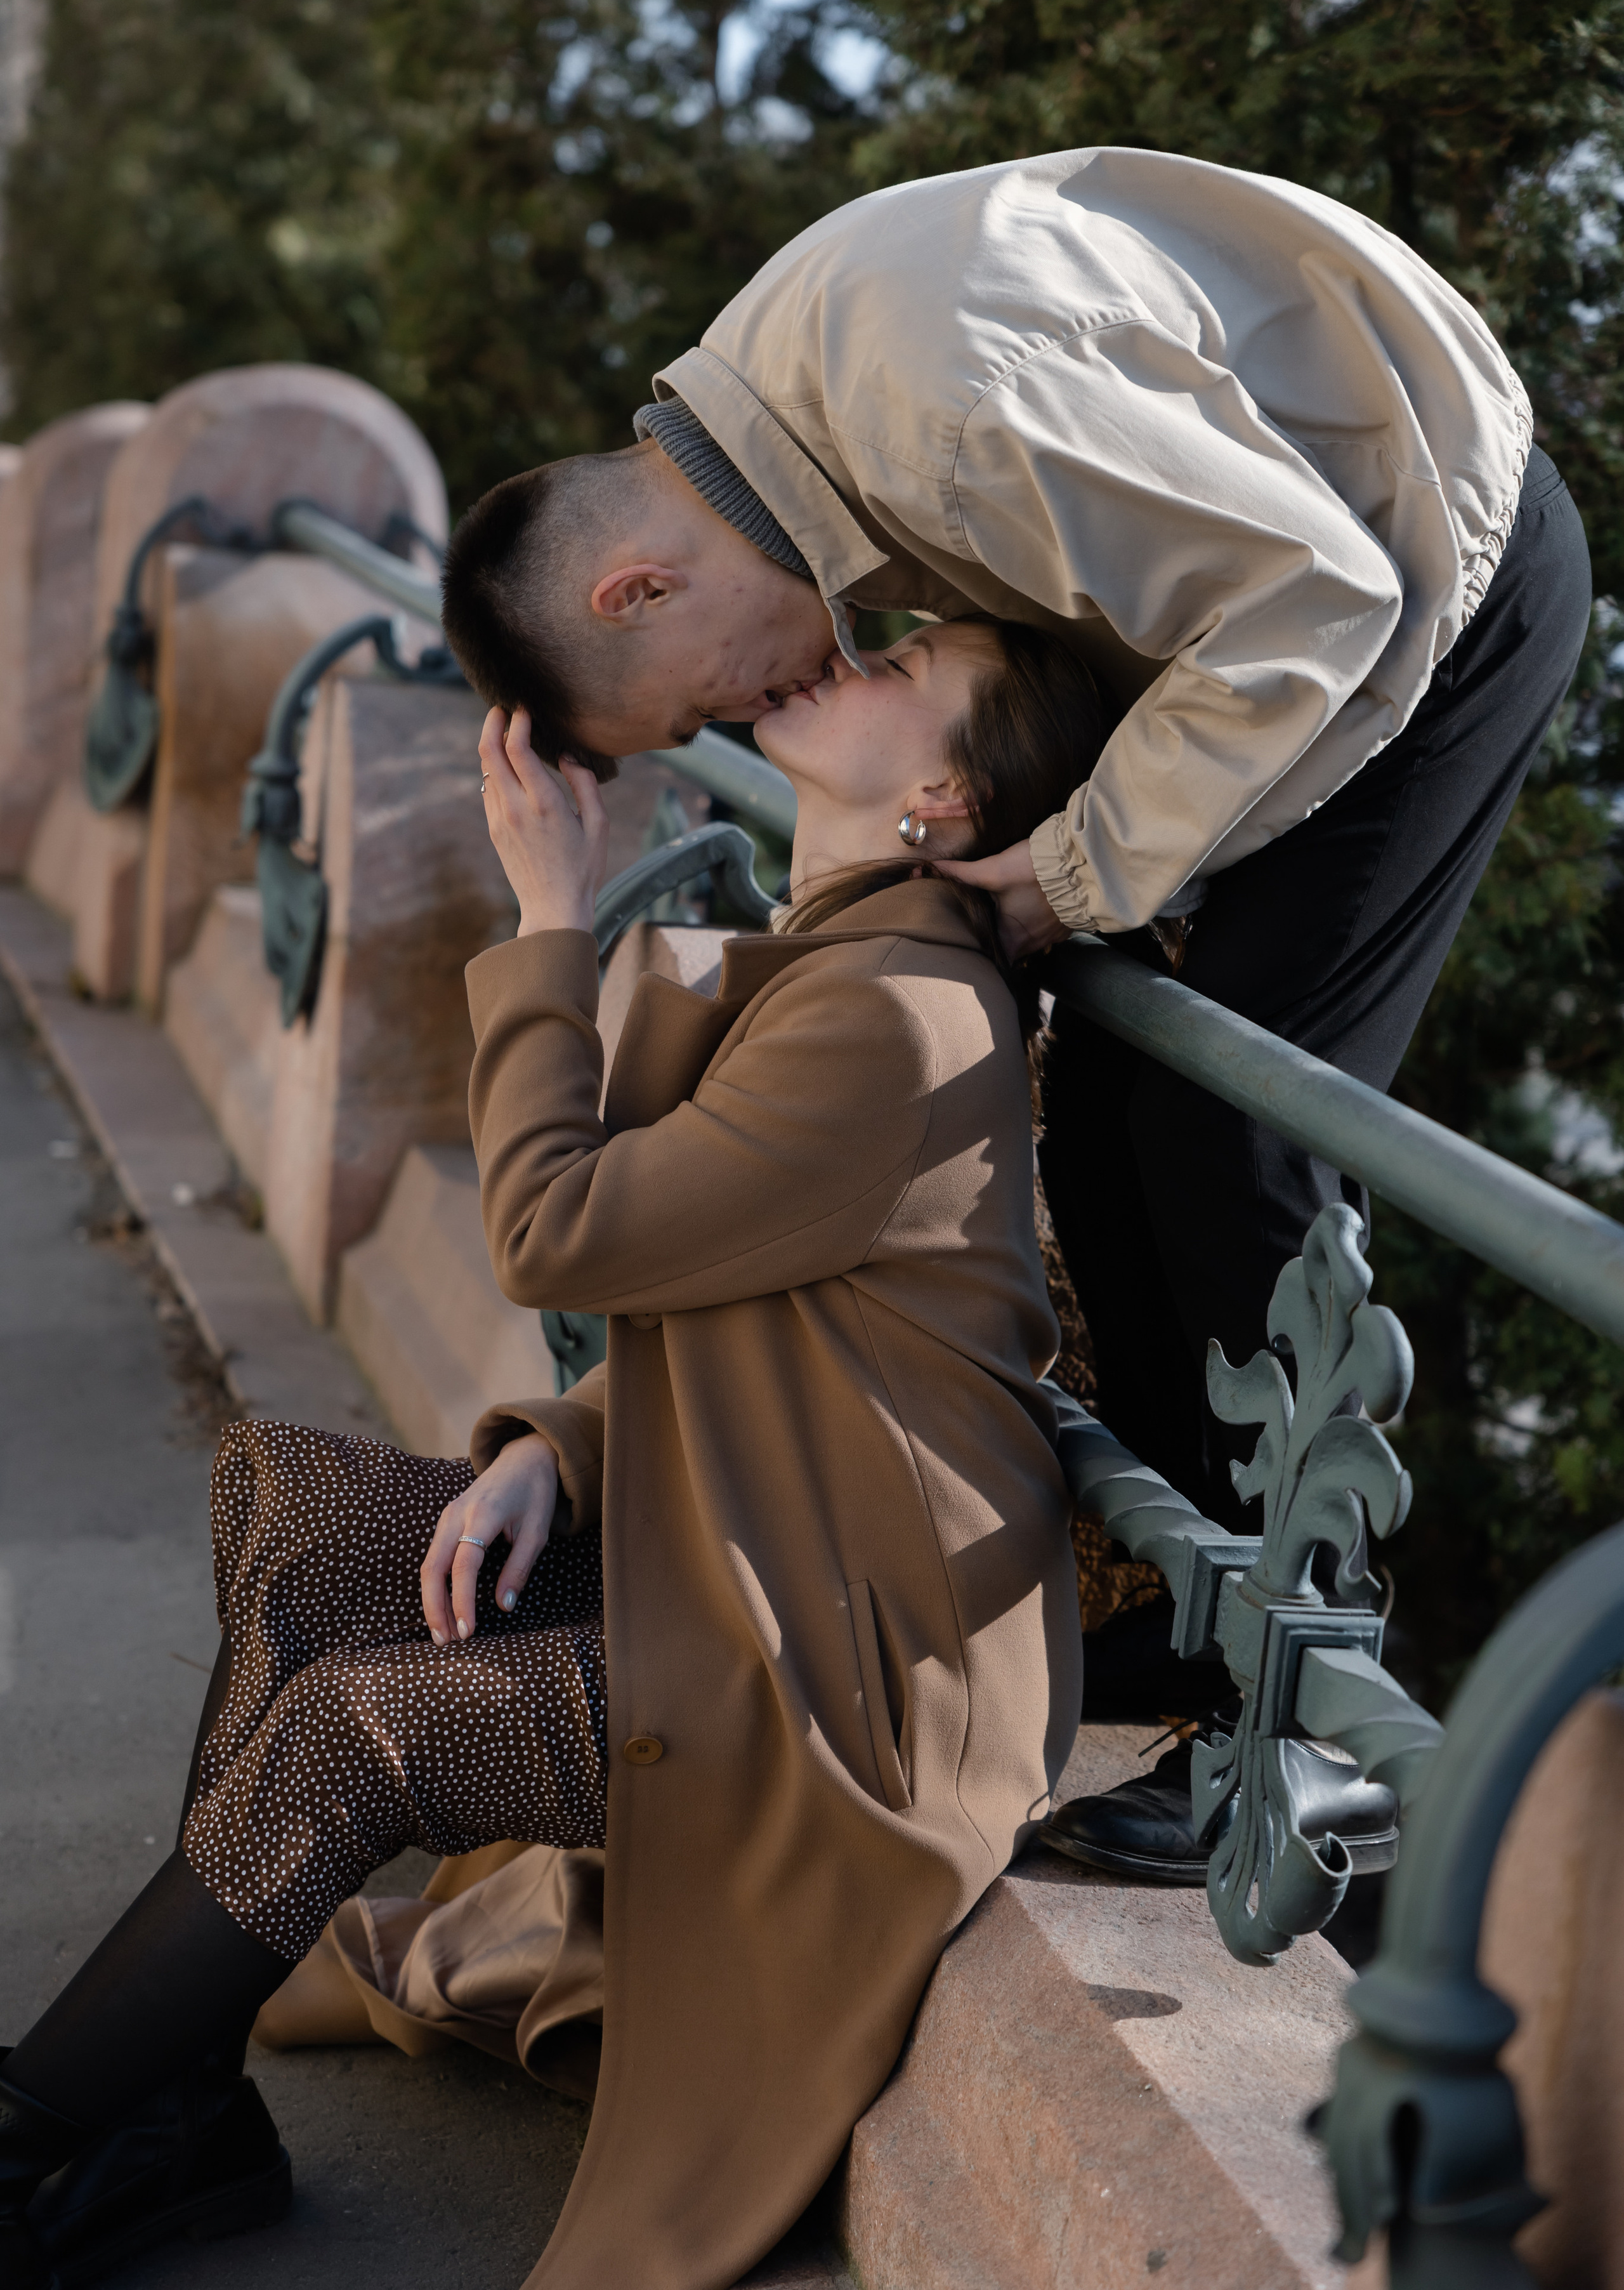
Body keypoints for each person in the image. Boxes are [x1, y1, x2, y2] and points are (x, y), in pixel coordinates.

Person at [436, 145, 1592, 1871]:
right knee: (1119, 1094)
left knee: (1230, 1114)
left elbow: (1320, 605)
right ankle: (1195, 1603)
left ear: (639, 591)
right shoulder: (771, 427)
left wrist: (1069, 874)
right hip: (1269, 601)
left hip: (1433, 586)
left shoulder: (932, 418)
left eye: (686, 713)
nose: (751, 714)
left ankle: (1311, 1703)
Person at [6, 616, 1100, 2290]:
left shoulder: (899, 1016)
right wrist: (562, 1455)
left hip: (834, 1682)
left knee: (352, 1730)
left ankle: (45, 2123)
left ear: (945, 792)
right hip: (737, 1555)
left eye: (903, 663)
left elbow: (551, 1231)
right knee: (295, 1501)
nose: (847, 651)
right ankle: (178, 2115)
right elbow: (781, 1330)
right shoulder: (846, 961)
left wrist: (546, 914)